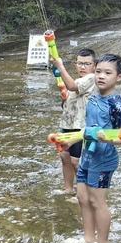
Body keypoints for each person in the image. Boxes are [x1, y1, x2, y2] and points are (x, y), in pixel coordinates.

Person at [64, 54, 121, 243]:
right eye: (99, 71)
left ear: (119, 77)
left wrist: (107, 138)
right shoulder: (92, 97)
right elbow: (87, 129)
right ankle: (88, 239)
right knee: (83, 197)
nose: (101, 76)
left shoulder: (116, 104)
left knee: (97, 201)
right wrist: (73, 139)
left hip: (104, 160)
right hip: (87, 155)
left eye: (107, 73)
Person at [51, 49, 97, 198]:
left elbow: (71, 86)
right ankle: (68, 189)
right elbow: (67, 100)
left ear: (94, 65)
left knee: (76, 162)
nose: (82, 67)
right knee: (64, 157)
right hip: (66, 124)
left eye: (87, 64)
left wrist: (60, 66)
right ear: (76, 64)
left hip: (80, 126)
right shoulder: (76, 80)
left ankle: (84, 194)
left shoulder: (92, 78)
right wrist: (64, 99)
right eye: (79, 63)